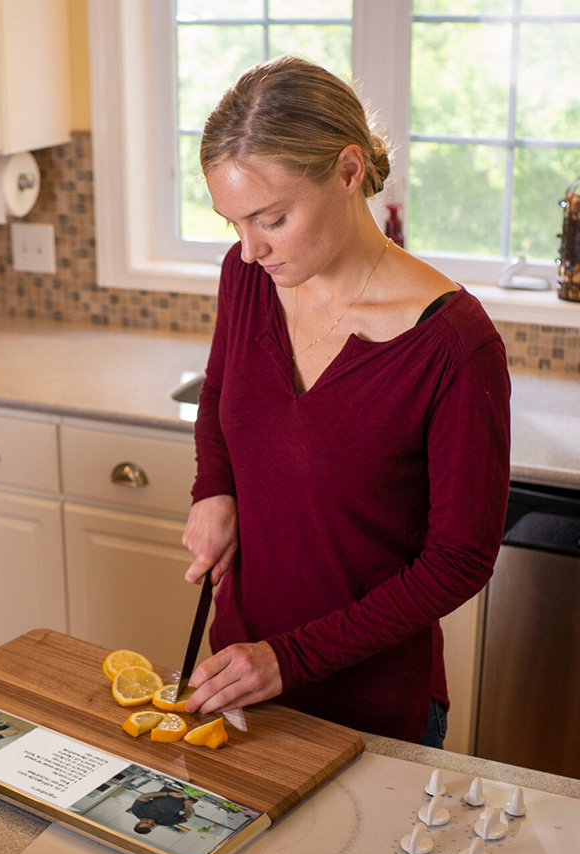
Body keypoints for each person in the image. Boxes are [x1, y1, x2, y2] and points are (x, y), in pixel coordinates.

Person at [180, 56, 510, 746]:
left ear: (350, 171)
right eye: (233, 222)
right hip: (241, 680)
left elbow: (459, 561)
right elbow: (219, 394)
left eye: (271, 218)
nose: (249, 249)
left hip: (373, 711)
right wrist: (215, 490)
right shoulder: (246, 281)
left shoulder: (453, 344)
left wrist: (289, 660)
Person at [130, 790, 197, 835]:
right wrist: (188, 806)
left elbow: (144, 796)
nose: (151, 821)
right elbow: (189, 816)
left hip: (171, 789)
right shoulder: (167, 822)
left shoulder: (137, 810)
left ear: (137, 823)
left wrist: (168, 794)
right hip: (190, 797)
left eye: (146, 822)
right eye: (153, 824)